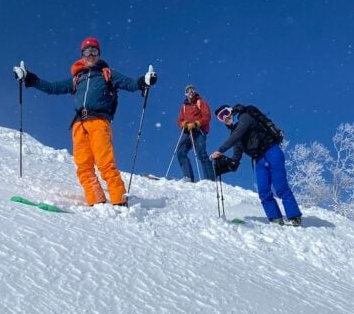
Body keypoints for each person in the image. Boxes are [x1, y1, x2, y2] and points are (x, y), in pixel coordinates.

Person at [13, 37, 157, 207]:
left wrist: (144, 81)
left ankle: (119, 200)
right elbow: (53, 88)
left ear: (99, 54)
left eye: (94, 51)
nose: (90, 55)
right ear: (82, 55)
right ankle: (96, 201)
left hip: (99, 122)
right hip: (78, 125)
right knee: (83, 166)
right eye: (87, 52)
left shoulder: (107, 74)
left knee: (105, 163)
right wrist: (29, 77)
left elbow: (130, 84)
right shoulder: (77, 78)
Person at [210, 104, 302, 226]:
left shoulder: (244, 117)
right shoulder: (235, 135)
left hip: (271, 151)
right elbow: (236, 158)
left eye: (225, 113)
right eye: (221, 117)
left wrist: (220, 150)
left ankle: (295, 217)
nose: (225, 118)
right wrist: (225, 163)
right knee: (263, 191)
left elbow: (238, 134)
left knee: (280, 186)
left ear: (231, 111)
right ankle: (275, 219)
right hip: (258, 159)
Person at [175, 84, 215, 182]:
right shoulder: (184, 106)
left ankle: (210, 179)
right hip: (188, 131)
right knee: (180, 151)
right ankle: (188, 177)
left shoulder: (200, 102)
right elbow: (180, 120)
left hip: (199, 130)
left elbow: (207, 116)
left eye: (192, 90)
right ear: (185, 94)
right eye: (188, 91)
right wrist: (183, 124)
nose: (190, 92)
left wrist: (197, 123)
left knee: (201, 153)